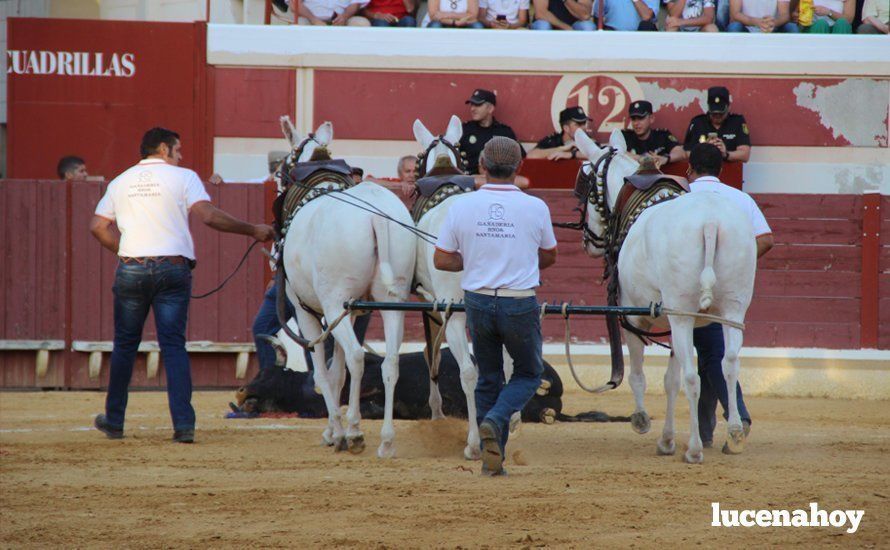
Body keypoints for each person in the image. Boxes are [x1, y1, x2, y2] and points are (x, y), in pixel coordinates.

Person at [89, 127, 275, 443]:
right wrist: (252, 230)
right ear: (164, 149)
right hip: (172, 269)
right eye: (179, 149)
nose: (181, 155)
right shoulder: (183, 177)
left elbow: (97, 227)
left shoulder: (120, 181)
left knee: (124, 345)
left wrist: (125, 251)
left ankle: (115, 421)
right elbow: (209, 216)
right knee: (173, 346)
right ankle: (184, 426)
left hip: (132, 268)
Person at [433, 136, 558, 476]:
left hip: (478, 302)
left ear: (482, 166)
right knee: (530, 374)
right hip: (519, 303)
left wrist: (473, 260)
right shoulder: (536, 207)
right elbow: (549, 255)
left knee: (488, 378)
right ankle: (496, 420)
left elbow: (442, 260)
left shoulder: (460, 206)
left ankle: (494, 460)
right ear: (520, 167)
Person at [686, 143, 774, 448]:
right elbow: (765, 239)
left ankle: (737, 418)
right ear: (721, 170)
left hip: (687, 291)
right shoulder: (740, 199)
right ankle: (706, 430)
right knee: (711, 355)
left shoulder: (680, 201)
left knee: (707, 355)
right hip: (726, 293)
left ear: (689, 168)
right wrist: (736, 270)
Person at [459, 89, 525, 175]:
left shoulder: (504, 132)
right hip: (469, 182)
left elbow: (520, 158)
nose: (472, 109)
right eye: (472, 105)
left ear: (490, 108)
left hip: (497, 181)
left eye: (477, 105)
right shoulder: (464, 130)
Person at [683, 86, 751, 164]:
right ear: (708, 108)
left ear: (728, 107)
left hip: (730, 170)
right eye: (714, 113)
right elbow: (686, 153)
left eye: (721, 113)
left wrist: (726, 154)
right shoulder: (697, 123)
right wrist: (705, 150)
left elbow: (745, 155)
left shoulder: (737, 122)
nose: (717, 116)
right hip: (703, 170)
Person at [620, 101, 684, 167]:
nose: (636, 123)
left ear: (651, 119)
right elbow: (615, 151)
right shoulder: (625, 136)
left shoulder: (662, 136)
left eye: (641, 118)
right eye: (633, 119)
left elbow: (681, 152)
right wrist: (640, 158)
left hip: (659, 176)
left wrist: (665, 158)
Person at [527, 106, 593, 161]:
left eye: (584, 123)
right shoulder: (553, 140)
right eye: (578, 124)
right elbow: (530, 156)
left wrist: (571, 154)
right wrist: (562, 149)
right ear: (566, 128)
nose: (583, 127)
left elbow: (598, 155)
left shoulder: (588, 140)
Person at [727, 0, 799, 31]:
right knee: (734, 27)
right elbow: (735, 14)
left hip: (773, 28)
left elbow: (785, 15)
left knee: (791, 27)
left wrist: (773, 23)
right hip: (747, 28)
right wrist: (757, 22)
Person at [592, 0, 660, 30]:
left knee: (647, 26)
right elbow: (597, 15)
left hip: (641, 37)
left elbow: (646, 16)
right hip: (615, 35)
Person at [530, 0, 597, 29]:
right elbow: (541, 13)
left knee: (588, 26)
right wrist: (566, 28)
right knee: (543, 25)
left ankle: (582, 56)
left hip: (574, 24)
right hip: (549, 22)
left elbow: (585, 15)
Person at [295, 0, 371, 25]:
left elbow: (356, 3)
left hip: (342, 20)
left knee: (361, 23)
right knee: (299, 23)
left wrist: (345, 16)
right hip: (310, 18)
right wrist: (313, 19)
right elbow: (295, 4)